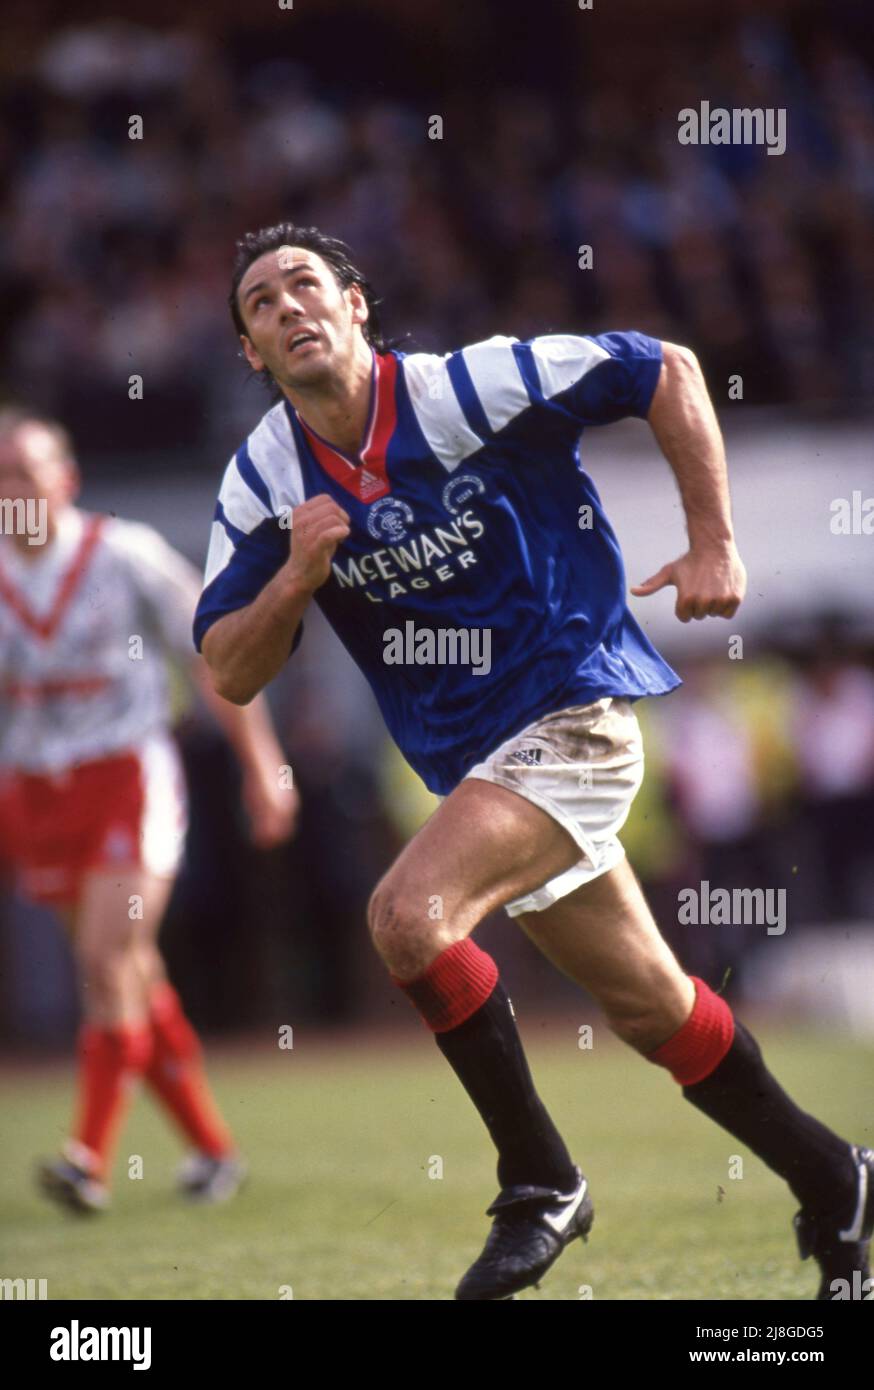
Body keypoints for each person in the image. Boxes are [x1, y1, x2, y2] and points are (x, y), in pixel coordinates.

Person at [195, 223, 872, 1301]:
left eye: (305, 284)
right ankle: (834, 1176)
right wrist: (291, 579)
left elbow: (667, 368)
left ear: (356, 304)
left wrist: (714, 539)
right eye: (261, 304)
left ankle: (539, 1182)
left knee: (406, 915)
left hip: (575, 707)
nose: (286, 307)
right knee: (655, 1010)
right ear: (250, 353)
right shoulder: (263, 479)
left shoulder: (464, 387)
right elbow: (227, 667)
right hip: (483, 767)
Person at [0, 409, 298, 1212]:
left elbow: (215, 657)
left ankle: (86, 1158)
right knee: (129, 972)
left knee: (103, 960)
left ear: (66, 479)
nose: (12, 489)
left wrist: (262, 765)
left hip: (128, 778)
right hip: (33, 791)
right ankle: (211, 1149)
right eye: (0, 476)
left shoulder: (122, 554)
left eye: (26, 470)